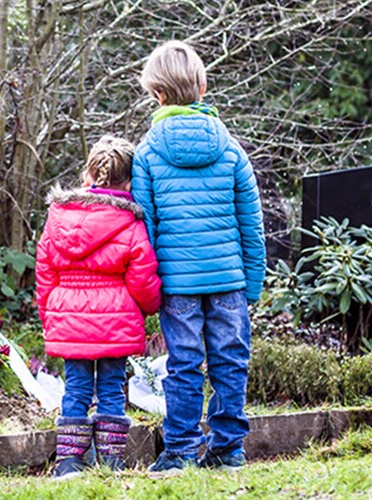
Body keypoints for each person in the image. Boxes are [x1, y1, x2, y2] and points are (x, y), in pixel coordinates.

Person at [131, 41, 266, 474]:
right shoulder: (231, 150)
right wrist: (254, 280)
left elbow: (143, 229)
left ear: (158, 95)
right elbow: (252, 222)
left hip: (177, 285)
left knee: (184, 364)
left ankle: (181, 449)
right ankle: (227, 447)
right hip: (228, 279)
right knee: (230, 360)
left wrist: (147, 288)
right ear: (204, 87)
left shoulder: (148, 153)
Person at [36, 135, 162, 480]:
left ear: (87, 177)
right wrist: (150, 307)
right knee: (110, 388)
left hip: (69, 317)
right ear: (130, 181)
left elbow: (45, 271)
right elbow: (143, 278)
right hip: (116, 321)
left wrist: (50, 314)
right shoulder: (131, 224)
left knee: (75, 388)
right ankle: (110, 460)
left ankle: (69, 462)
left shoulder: (58, 217)